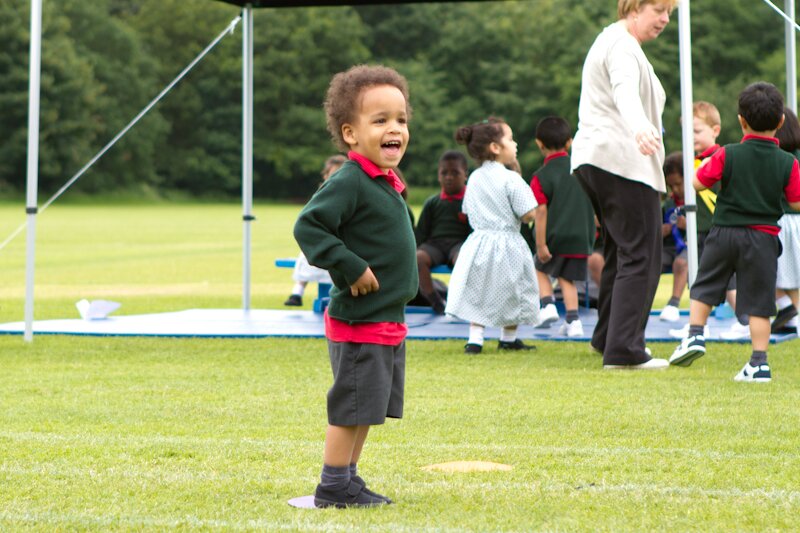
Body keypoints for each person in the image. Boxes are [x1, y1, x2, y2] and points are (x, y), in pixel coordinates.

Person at [293, 65, 417, 507]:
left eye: (400, 119)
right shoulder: (350, 179)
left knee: (366, 406)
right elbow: (310, 227)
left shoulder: (383, 182)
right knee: (351, 407)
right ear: (350, 133)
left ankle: (348, 477)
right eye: (379, 120)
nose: (394, 129)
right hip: (358, 321)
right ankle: (332, 485)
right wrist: (351, 267)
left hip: (384, 318)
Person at [669, 82, 800, 382]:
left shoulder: (727, 154)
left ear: (741, 121)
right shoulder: (788, 163)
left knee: (705, 284)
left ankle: (695, 336)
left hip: (725, 232)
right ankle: (758, 363)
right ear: (780, 122)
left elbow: (699, 182)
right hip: (764, 238)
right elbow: (795, 201)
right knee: (759, 302)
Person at [571, 0, 677, 369]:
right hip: (622, 161)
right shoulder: (622, 45)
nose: (665, 19)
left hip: (596, 160)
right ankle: (625, 350)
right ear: (633, 8)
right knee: (643, 254)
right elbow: (624, 90)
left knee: (621, 251)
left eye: (670, 13)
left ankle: (608, 339)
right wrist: (639, 125)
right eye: (659, 10)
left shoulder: (613, 41)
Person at [445, 117, 539, 354]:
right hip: (508, 243)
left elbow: (467, 210)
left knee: (479, 289)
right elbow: (529, 213)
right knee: (513, 289)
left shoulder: (474, 178)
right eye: (510, 139)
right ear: (495, 148)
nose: (515, 144)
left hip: (478, 242)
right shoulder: (510, 178)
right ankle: (509, 337)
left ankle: (475, 338)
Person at [669, 101, 747, 339]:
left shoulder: (719, 158)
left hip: (718, 230)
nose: (691, 137)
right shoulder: (694, 161)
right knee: (701, 280)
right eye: (687, 132)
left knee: (727, 280)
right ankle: (698, 325)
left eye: (696, 131)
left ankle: (744, 322)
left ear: (715, 130)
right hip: (701, 230)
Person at [529, 116, 594, 337]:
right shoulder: (582, 169)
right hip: (582, 237)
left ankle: (547, 305)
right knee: (567, 279)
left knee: (538, 268)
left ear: (539, 143)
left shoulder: (541, 176)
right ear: (569, 142)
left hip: (555, 237)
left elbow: (541, 211)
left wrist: (540, 244)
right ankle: (573, 322)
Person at [284, 155, 346, 307]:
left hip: (342, 241)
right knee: (307, 252)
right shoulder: (322, 194)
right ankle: (297, 291)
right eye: (332, 174)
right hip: (324, 239)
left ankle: (300, 291)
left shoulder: (349, 192)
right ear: (325, 175)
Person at [415, 150, 472, 314]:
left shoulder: (470, 201)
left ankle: (459, 301)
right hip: (435, 245)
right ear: (438, 175)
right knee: (418, 258)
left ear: (465, 175)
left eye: (455, 173)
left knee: (464, 258)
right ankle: (434, 299)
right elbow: (422, 233)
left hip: (460, 245)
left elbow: (474, 233)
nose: (449, 177)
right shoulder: (432, 203)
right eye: (444, 173)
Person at [772, 106, 800, 333]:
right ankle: (791, 312)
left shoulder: (778, 160)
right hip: (796, 222)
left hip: (781, 221)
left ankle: (787, 307)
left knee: (775, 273)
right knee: (793, 276)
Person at [658, 152, 689, 322]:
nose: (675, 190)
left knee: (681, 263)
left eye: (678, 184)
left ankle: (673, 304)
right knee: (651, 261)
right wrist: (662, 231)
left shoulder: (698, 200)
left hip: (692, 247)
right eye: (671, 186)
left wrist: (690, 225)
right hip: (669, 247)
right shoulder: (669, 203)